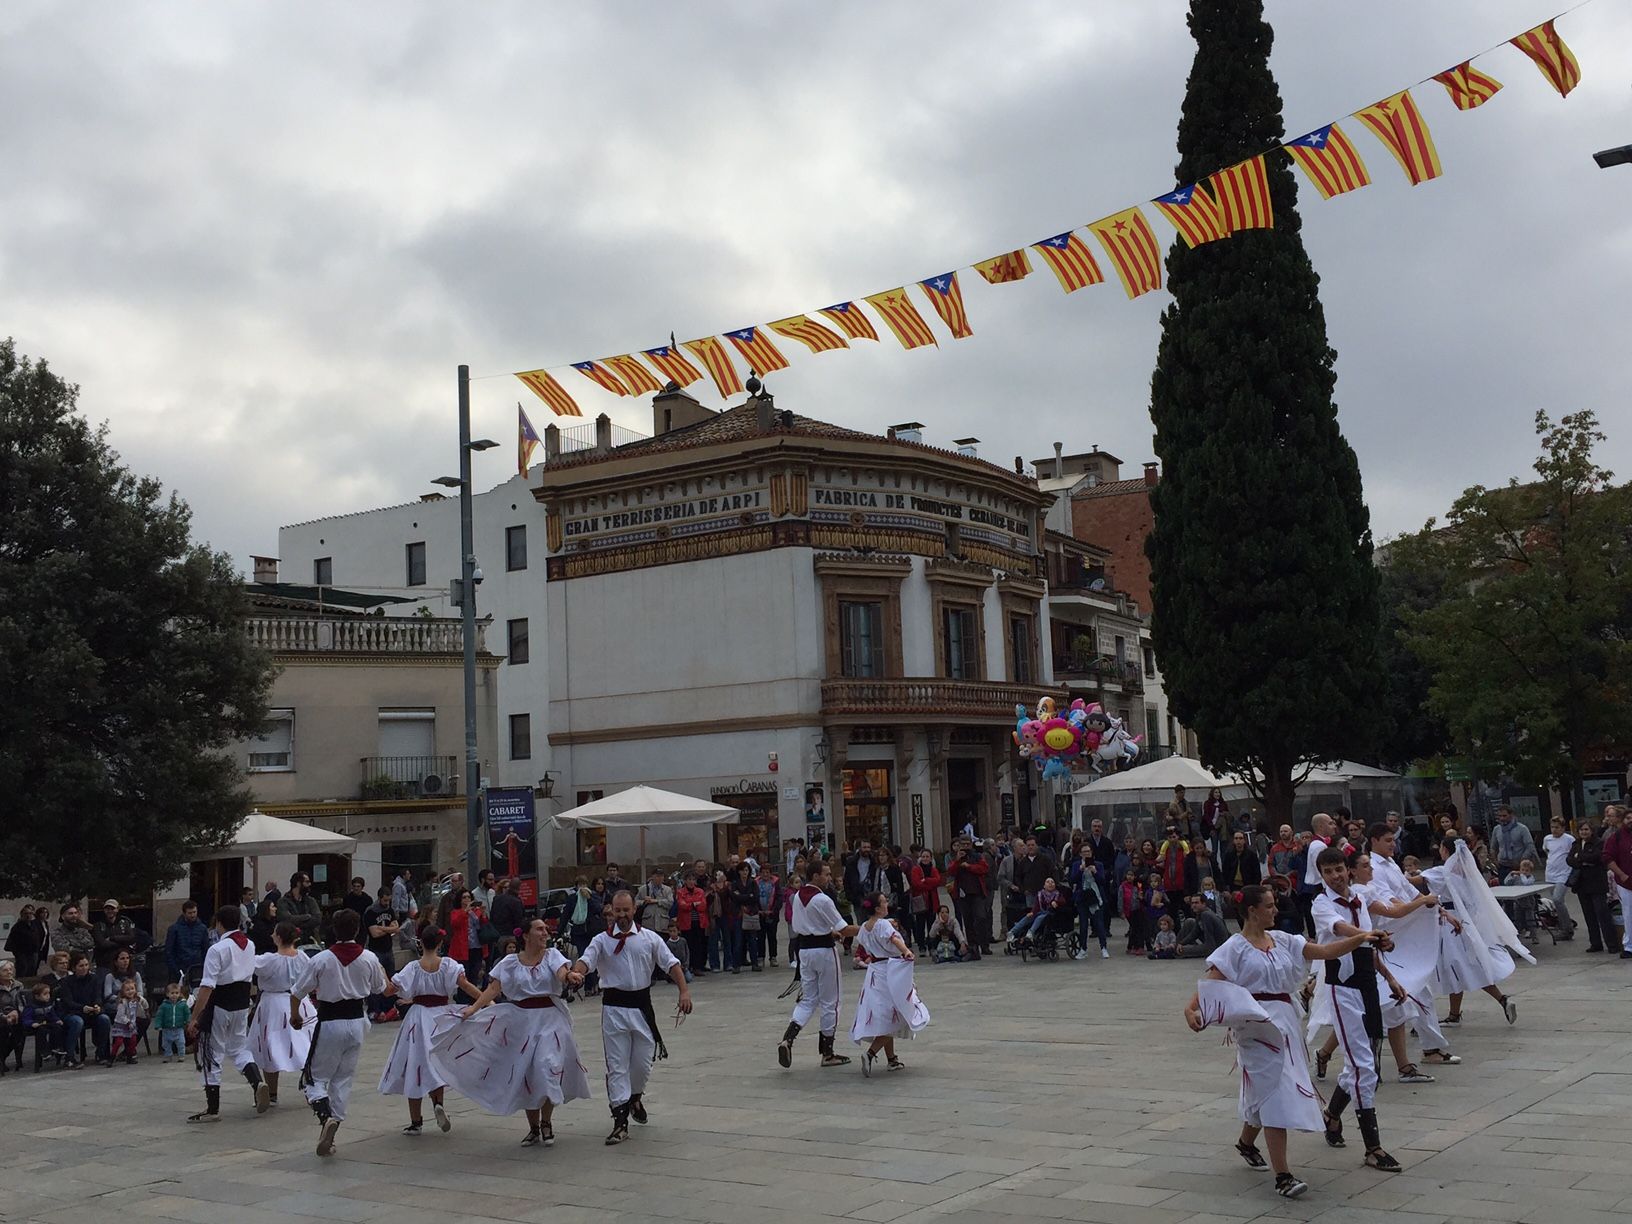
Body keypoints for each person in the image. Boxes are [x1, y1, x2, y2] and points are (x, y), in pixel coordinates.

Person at [1183, 882, 1388, 1201]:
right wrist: (1191, 1009)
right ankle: (1283, 1176)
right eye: (1269, 905)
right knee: (1275, 1092)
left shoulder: (1283, 940)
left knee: (1267, 1091)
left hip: (1286, 1024)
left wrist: (1360, 938)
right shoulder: (1234, 947)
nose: (1275, 910)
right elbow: (1212, 981)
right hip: (1254, 1025)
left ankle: (1247, 1142)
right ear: (1252, 911)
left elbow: (1323, 951)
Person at [431, 916, 591, 1148]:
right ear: (526, 935)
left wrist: (570, 976)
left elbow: (561, 973)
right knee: (526, 1072)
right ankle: (534, 1127)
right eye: (539, 929)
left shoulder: (553, 956)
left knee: (547, 1067)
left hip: (550, 1020)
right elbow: (494, 988)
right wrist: (474, 1009)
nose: (545, 932)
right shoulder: (510, 962)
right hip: (521, 1021)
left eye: (546, 929)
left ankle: (546, 1122)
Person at [566, 891, 693, 1144]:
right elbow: (585, 961)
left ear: (634, 910)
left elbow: (672, 963)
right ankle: (620, 1120)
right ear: (610, 911)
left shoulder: (649, 939)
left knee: (642, 1065)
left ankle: (635, 1097)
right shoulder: (601, 940)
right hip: (614, 1009)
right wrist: (576, 974)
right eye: (617, 911)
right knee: (617, 1065)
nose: (621, 915)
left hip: (642, 1007)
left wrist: (684, 991)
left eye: (626, 910)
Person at [1308, 848, 1405, 1172]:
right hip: (1343, 990)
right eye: (1328, 872)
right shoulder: (1322, 904)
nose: (1335, 876)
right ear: (1321, 875)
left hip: (1367, 987)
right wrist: (1366, 935)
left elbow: (1369, 945)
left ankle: (1332, 1115)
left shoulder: (1361, 899)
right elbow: (1339, 930)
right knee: (1364, 1066)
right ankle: (1372, 1148)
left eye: (1339, 869)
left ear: (1348, 871)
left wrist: (1389, 974)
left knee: (1361, 1064)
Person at [291, 906, 388, 1156]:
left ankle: (326, 1119)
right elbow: (381, 987)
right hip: (357, 1022)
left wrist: (295, 1016)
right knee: (343, 1078)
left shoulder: (322, 958)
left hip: (330, 1020)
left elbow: (297, 991)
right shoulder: (368, 958)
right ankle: (334, 1126)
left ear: (334, 930)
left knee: (315, 1077)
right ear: (357, 930)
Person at [379, 923, 481, 1135]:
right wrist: (486, 1002)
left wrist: (380, 972)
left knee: (414, 1064)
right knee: (438, 1062)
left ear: (420, 943)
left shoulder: (413, 967)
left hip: (418, 1017)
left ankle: (416, 1121)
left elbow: (390, 991)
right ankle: (438, 1103)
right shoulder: (448, 965)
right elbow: (465, 985)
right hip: (442, 1016)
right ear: (441, 943)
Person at [185, 905, 268, 1121]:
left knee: (210, 1051)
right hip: (241, 1003)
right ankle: (256, 1081)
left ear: (219, 923)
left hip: (220, 1003)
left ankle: (213, 1108)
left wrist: (195, 1017)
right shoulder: (249, 945)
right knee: (239, 1047)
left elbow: (207, 986)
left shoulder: (217, 949)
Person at [778, 861, 860, 1070]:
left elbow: (805, 925)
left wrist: (828, 930)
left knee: (808, 1000)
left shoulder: (797, 896)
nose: (829, 878)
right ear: (815, 876)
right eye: (826, 874)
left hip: (804, 950)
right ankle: (828, 1052)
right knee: (831, 1001)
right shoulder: (823, 899)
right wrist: (874, 926)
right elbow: (845, 928)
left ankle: (788, 1038)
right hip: (824, 951)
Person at [849, 891, 929, 1075]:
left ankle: (892, 1059)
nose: (887, 904)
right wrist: (906, 951)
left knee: (887, 1016)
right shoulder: (883, 924)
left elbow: (872, 935)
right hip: (890, 971)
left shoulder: (866, 927)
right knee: (900, 1014)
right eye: (884, 902)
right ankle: (870, 1054)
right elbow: (893, 938)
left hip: (875, 973)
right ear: (877, 908)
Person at [246, 921, 312, 1106]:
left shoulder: (269, 959)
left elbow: (248, 964)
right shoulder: (303, 957)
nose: (271, 935)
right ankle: (312, 1088)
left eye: (274, 933)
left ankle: (273, 1093)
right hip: (300, 1002)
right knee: (305, 1045)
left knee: (269, 1047)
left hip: (273, 1004)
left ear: (280, 937)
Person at [1566, 820, 1614, 953]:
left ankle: (1612, 944)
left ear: (1592, 830)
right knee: (1589, 916)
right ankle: (1595, 943)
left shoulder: (1599, 843)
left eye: (1586, 829)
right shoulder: (1576, 844)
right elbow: (1570, 860)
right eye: (1581, 830)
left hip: (1597, 883)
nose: (1584, 832)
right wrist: (1582, 860)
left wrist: (1580, 857)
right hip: (1581, 884)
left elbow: (1597, 857)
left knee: (1602, 914)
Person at [54, 952, 107, 1069]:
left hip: (91, 1011)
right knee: (77, 1022)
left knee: (104, 1019)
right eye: (81, 966)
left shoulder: (94, 978)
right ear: (74, 968)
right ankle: (70, 1057)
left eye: (86, 965)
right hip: (72, 1012)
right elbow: (68, 1002)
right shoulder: (66, 982)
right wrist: (82, 1008)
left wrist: (97, 1005)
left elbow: (98, 996)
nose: (84, 968)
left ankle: (101, 1053)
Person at [99, 948, 147, 1062]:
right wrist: (122, 999)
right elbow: (108, 995)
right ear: (116, 962)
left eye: (127, 958)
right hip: (116, 1006)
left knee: (144, 1019)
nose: (125, 961)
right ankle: (112, 1052)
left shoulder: (136, 975)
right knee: (119, 1019)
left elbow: (140, 992)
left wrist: (133, 998)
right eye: (122, 958)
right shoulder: (110, 976)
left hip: (132, 1005)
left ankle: (129, 1050)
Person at [949, 838, 993, 958]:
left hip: (977, 893)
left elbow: (984, 869)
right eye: (963, 844)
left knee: (981, 918)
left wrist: (969, 866)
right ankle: (973, 946)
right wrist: (957, 860)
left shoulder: (977, 856)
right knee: (967, 921)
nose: (965, 847)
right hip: (963, 895)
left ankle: (984, 944)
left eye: (968, 844)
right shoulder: (956, 858)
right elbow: (951, 872)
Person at [363, 888, 400, 1020]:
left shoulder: (390, 910)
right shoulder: (371, 911)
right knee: (376, 980)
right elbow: (374, 933)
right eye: (385, 900)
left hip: (388, 949)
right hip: (375, 950)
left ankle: (388, 1008)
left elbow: (396, 927)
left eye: (389, 900)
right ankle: (374, 1009)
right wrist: (389, 929)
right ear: (379, 898)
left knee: (390, 979)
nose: (387, 903)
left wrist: (383, 928)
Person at [1068, 844, 1110, 960]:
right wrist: (1080, 871)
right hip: (1083, 897)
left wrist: (1095, 872)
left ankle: (1103, 948)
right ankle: (1083, 948)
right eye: (1084, 852)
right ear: (1080, 854)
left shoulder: (1098, 865)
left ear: (1092, 853)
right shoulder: (1077, 865)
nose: (1086, 854)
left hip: (1096, 897)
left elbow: (1103, 882)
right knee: (1083, 924)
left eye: (1088, 851)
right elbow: (1072, 880)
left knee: (1099, 923)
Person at [1539, 816, 1577, 940]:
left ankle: (1567, 929)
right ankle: (1562, 923)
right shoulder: (1547, 839)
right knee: (1557, 903)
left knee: (1557, 899)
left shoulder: (1569, 839)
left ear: (1563, 828)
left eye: (1557, 827)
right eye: (1552, 827)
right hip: (1550, 874)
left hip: (1563, 874)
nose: (1554, 830)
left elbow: (1574, 854)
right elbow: (1547, 851)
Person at [1602, 805, 1632, 957]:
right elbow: (1608, 857)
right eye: (1628, 818)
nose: (1630, 821)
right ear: (1623, 819)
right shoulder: (1616, 837)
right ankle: (1629, 946)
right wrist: (1621, 874)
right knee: (1628, 914)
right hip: (1626, 883)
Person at [1007, 876, 1066, 947]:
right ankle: (1012, 932)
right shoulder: (1040, 894)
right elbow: (1036, 906)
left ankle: (1031, 932)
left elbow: (1063, 901)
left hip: (1051, 914)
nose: (1050, 883)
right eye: (1048, 882)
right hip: (1041, 911)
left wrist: (1056, 902)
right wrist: (1032, 912)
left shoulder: (1058, 894)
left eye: (1052, 882)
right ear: (1044, 886)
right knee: (1028, 916)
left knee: (1039, 917)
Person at [164, 900, 213, 983]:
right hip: (180, 968)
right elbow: (169, 951)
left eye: (194, 912)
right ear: (184, 913)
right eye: (190, 913)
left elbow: (206, 949)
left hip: (197, 968)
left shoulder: (202, 928)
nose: (193, 915)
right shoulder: (174, 929)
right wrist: (176, 970)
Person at [92, 899, 143, 970]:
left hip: (123, 963)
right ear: (104, 910)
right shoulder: (98, 925)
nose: (109, 911)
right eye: (107, 909)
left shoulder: (124, 923)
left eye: (112, 908)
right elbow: (102, 943)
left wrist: (112, 938)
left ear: (117, 909)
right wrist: (122, 943)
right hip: (104, 963)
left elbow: (131, 938)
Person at [674, 873, 709, 975]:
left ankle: (698, 966)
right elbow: (682, 905)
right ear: (685, 881)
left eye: (693, 879)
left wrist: (691, 904)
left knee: (699, 945)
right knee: (688, 945)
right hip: (686, 923)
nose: (691, 882)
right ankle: (688, 966)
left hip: (699, 922)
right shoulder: (681, 892)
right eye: (689, 879)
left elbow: (703, 905)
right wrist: (694, 904)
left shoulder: (700, 891)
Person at [1490, 807, 1535, 882]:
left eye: (1504, 816)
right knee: (1505, 890)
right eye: (1500, 816)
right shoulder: (1497, 829)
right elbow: (1493, 847)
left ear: (1511, 815)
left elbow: (1530, 846)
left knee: (1520, 889)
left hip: (1518, 866)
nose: (1502, 818)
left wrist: (1522, 861)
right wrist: (1495, 861)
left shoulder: (1522, 829)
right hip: (1502, 866)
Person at [107, 978, 146, 1065]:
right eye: (127, 990)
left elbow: (142, 1008)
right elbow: (121, 1015)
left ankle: (130, 1056)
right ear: (123, 992)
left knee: (133, 1040)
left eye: (132, 989)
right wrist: (128, 1022)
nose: (130, 991)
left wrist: (144, 1005)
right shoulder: (122, 1002)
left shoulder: (136, 1001)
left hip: (132, 1024)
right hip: (122, 1024)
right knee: (118, 1042)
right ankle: (112, 1057)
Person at [1177, 892, 1228, 957]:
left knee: (1182, 950)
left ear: (1204, 904)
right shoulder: (1200, 914)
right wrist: (1181, 943)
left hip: (1217, 948)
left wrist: (1185, 949)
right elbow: (1194, 933)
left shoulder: (1206, 915)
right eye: (1192, 903)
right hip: (1211, 945)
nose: (1194, 905)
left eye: (1196, 903)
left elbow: (1210, 946)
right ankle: (1176, 947)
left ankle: (1176, 950)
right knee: (1189, 922)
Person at [4, 904, 47, 977]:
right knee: (23, 969)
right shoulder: (18, 926)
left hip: (33, 951)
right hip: (22, 953)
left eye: (30, 913)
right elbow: (13, 940)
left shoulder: (34, 924)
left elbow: (39, 935)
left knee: (32, 969)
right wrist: (18, 952)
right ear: (22, 915)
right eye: (26, 914)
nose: (28, 915)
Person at [279, 873, 323, 945]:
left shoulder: (310, 900)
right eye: (307, 882)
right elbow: (286, 920)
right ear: (298, 883)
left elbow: (317, 919)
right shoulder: (283, 901)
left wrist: (298, 923)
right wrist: (307, 917)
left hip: (311, 941)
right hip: (291, 943)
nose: (310, 884)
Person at [754, 864, 783, 968]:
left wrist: (773, 910)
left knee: (772, 937)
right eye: (763, 872)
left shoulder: (775, 883)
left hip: (772, 915)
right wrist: (758, 910)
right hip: (760, 914)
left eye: (767, 872)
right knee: (760, 937)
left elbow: (779, 898)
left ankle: (773, 957)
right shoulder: (756, 883)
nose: (765, 874)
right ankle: (760, 957)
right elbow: (754, 898)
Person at [155, 982, 189, 1064]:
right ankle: (168, 1056)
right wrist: (158, 1024)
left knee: (181, 1042)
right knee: (166, 1044)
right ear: (167, 994)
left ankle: (181, 1055)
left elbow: (187, 1013)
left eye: (177, 993)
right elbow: (159, 1016)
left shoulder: (183, 1005)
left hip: (179, 1028)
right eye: (172, 993)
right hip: (166, 1028)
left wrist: (188, 1021)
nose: (174, 995)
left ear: (180, 994)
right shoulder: (164, 1006)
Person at [490, 877, 526, 945]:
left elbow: (492, 916)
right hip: (510, 935)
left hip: (497, 935)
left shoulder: (497, 899)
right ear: (518, 888)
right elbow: (519, 921)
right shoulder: (516, 901)